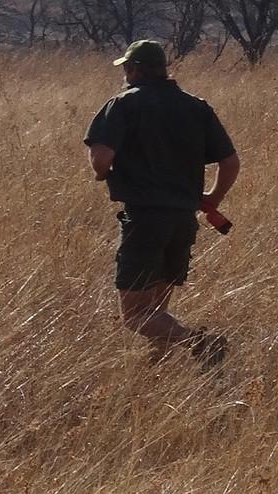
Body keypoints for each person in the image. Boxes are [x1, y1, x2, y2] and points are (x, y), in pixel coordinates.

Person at [85, 39, 240, 365]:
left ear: (134, 69)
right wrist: (213, 197)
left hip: (144, 220)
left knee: (134, 315)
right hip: (183, 221)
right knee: (157, 311)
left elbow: (101, 160)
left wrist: (102, 173)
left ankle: (201, 343)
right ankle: (154, 375)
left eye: (126, 68)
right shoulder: (196, 107)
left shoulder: (123, 104)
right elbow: (230, 163)